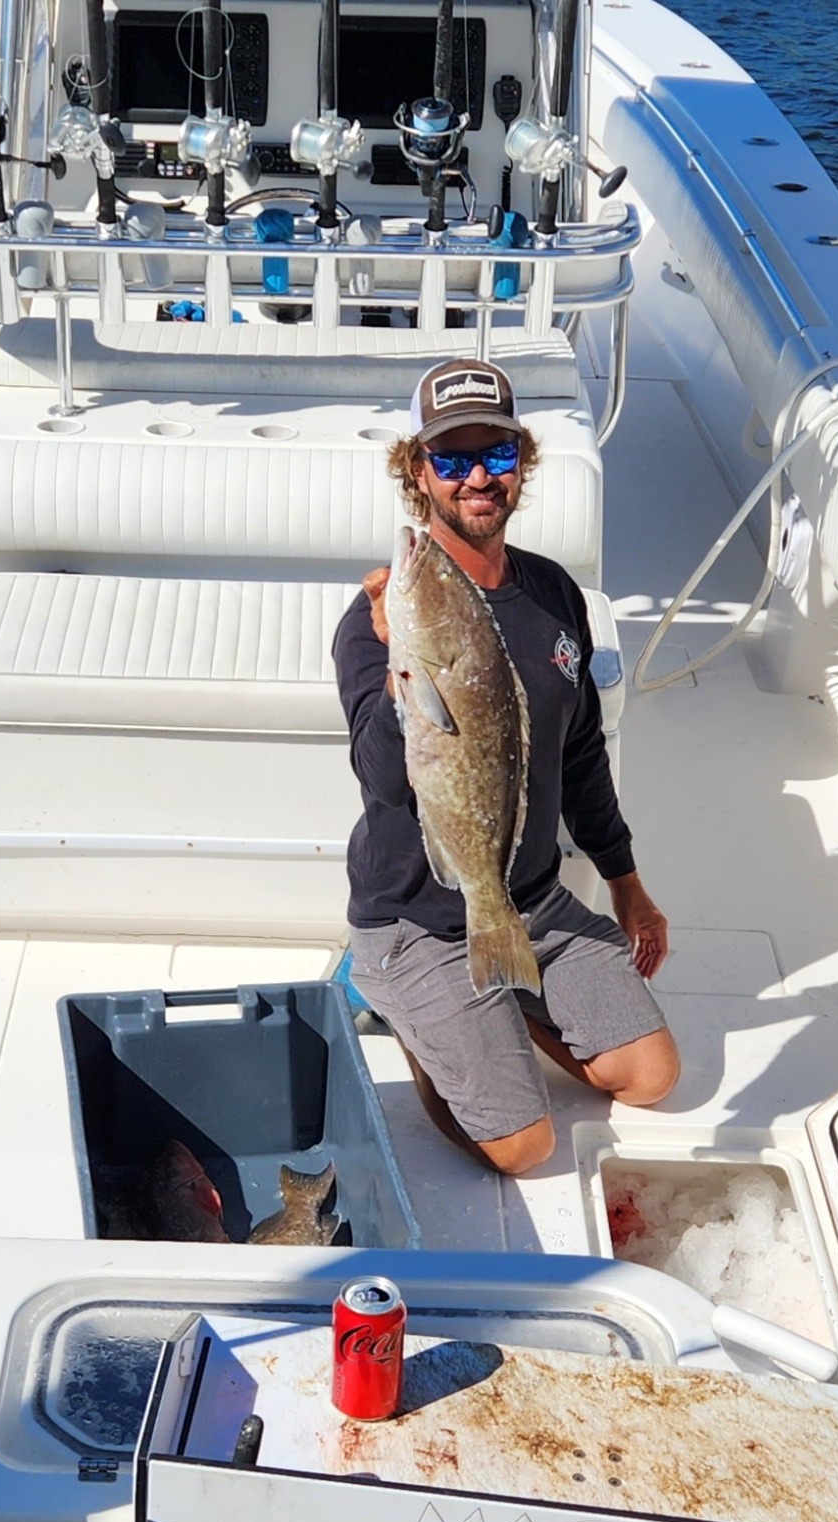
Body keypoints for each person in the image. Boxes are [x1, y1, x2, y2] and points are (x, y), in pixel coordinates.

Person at [337, 358, 679, 1177]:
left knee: (651, 1077)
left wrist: (626, 883)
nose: (478, 477)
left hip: (530, 899)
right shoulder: (376, 620)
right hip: (415, 920)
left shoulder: (555, 593)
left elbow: (581, 750)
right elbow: (380, 777)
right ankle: (415, 1012)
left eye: (496, 453)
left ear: (522, 461)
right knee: (526, 1148)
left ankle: (505, 996)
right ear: (418, 472)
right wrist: (401, 672)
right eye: (451, 458)